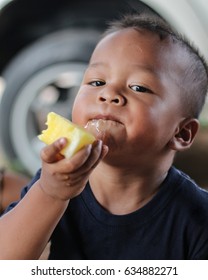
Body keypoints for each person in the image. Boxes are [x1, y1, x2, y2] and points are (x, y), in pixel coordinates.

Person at [0, 11, 208, 260]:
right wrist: (50, 194)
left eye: (139, 87)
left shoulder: (197, 218)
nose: (109, 94)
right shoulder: (52, 185)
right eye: (97, 82)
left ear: (182, 133)